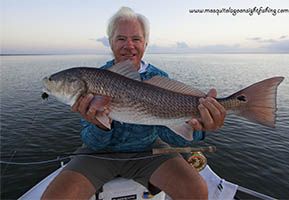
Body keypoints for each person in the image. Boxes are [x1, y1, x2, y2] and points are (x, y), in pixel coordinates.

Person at [42, 7, 226, 200]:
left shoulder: (158, 78)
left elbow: (170, 136)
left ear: (145, 43)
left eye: (136, 39)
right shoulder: (96, 78)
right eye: (121, 38)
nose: (129, 46)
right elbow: (91, 142)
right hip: (101, 153)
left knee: (196, 190)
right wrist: (99, 126)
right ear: (111, 42)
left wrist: (199, 128)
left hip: (149, 150)